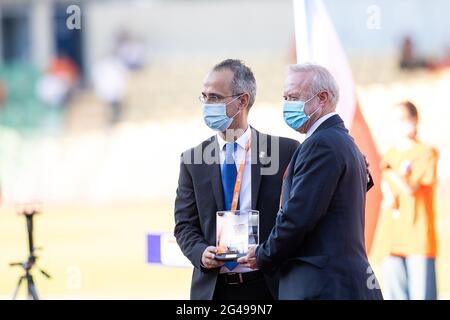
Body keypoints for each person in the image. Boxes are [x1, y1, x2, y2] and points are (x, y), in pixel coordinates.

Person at [238, 63, 383, 300]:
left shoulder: (321, 144)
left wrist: (263, 254)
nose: (287, 105)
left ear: (322, 98)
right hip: (341, 282)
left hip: (323, 286)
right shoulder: (343, 141)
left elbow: (298, 217)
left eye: (293, 97)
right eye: (285, 97)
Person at [174, 59, 300, 300]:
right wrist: (201, 253)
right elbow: (184, 225)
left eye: (215, 97)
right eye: (204, 96)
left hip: (269, 287)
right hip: (214, 290)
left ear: (242, 101)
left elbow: (299, 218)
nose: (207, 104)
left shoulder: (285, 152)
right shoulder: (193, 160)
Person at [380, 101, 438, 300]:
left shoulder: (426, 152)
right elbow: (385, 194)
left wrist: (390, 172)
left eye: (404, 119)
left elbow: (411, 189)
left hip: (418, 238)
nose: (401, 124)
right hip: (393, 239)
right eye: (396, 120)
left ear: (415, 119)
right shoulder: (389, 155)